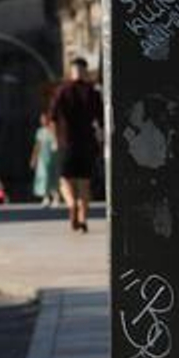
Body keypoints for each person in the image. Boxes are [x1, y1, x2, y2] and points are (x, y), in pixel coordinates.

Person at [49, 57, 104, 233]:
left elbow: (52, 118)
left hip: (67, 144)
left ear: (71, 71)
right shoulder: (93, 92)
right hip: (87, 144)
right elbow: (101, 121)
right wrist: (101, 143)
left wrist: (56, 141)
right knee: (84, 184)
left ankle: (72, 204)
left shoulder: (62, 91)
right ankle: (83, 219)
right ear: (86, 71)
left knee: (65, 181)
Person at [30, 109, 61, 207]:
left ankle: (56, 197)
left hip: (52, 157)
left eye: (45, 119)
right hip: (42, 157)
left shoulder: (53, 129)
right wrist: (34, 158)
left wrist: (53, 128)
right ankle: (46, 197)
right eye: (42, 119)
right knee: (43, 177)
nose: (43, 121)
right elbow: (37, 145)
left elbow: (56, 142)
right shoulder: (40, 131)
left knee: (52, 176)